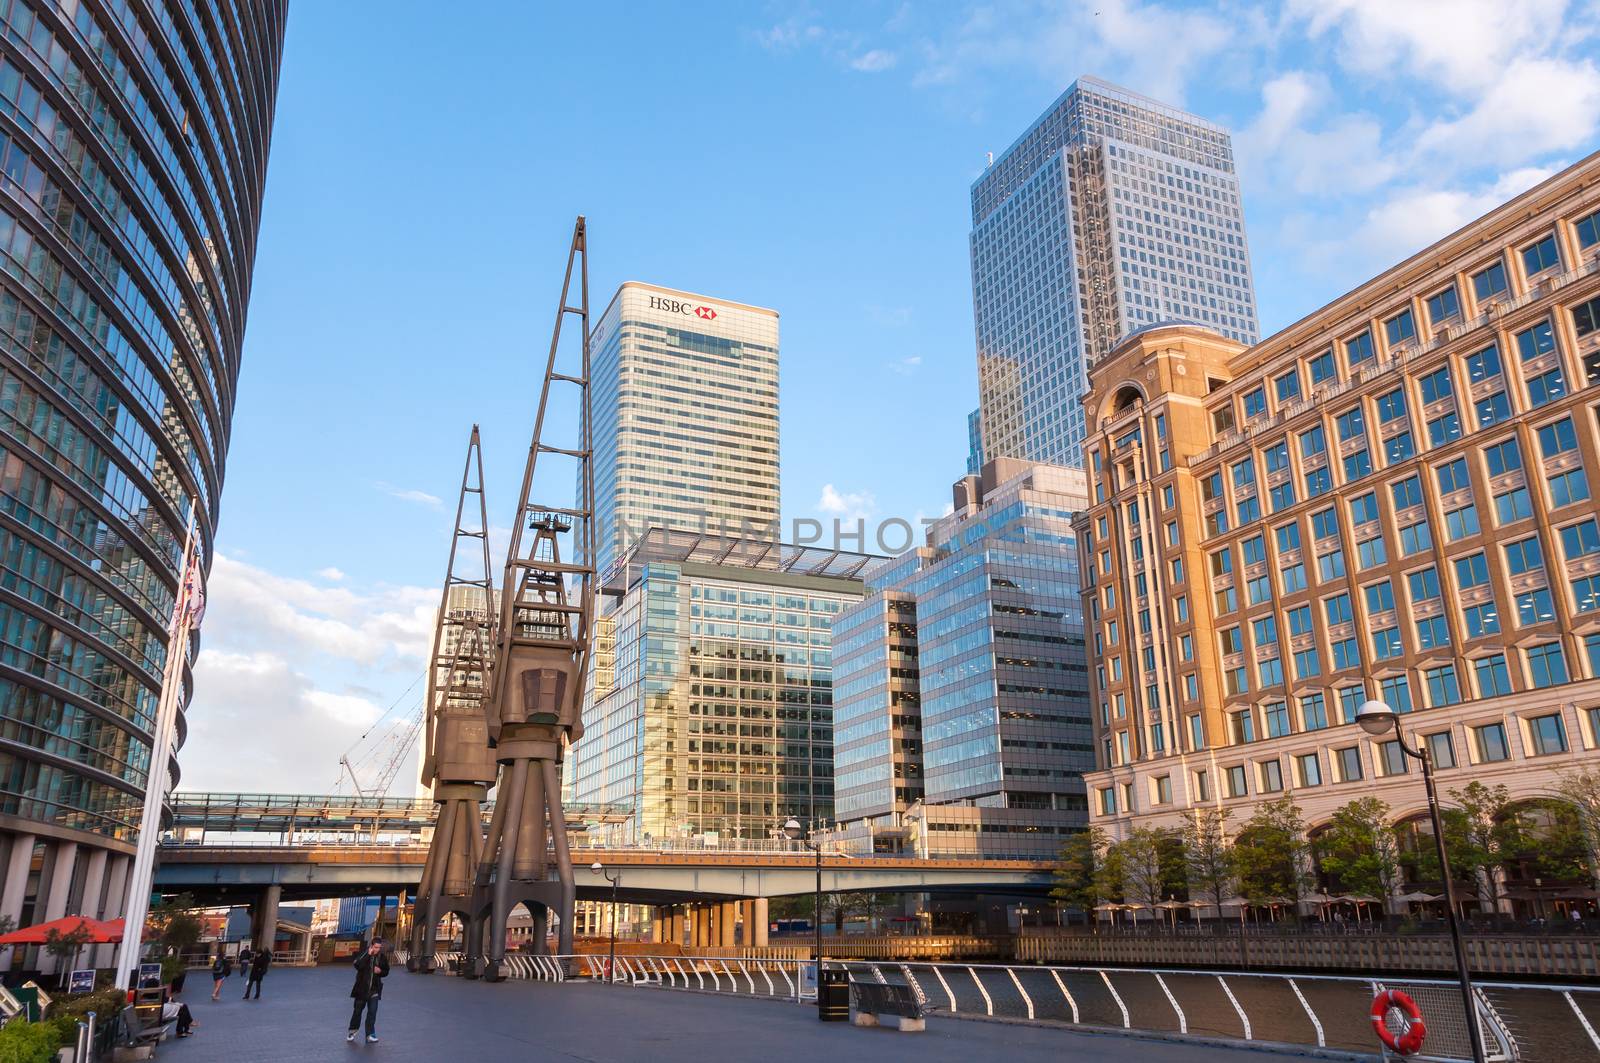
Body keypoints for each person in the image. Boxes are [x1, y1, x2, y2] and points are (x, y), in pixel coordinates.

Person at [346, 938, 390, 1044]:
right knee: (357, 1012)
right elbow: (357, 965)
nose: (377, 949)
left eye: (379, 948)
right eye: (376, 947)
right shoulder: (364, 954)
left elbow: (386, 971)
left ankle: (370, 1035)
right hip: (361, 989)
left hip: (374, 990)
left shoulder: (382, 957)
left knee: (372, 1013)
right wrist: (368, 955)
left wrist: (380, 971)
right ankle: (352, 1031)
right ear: (371, 946)